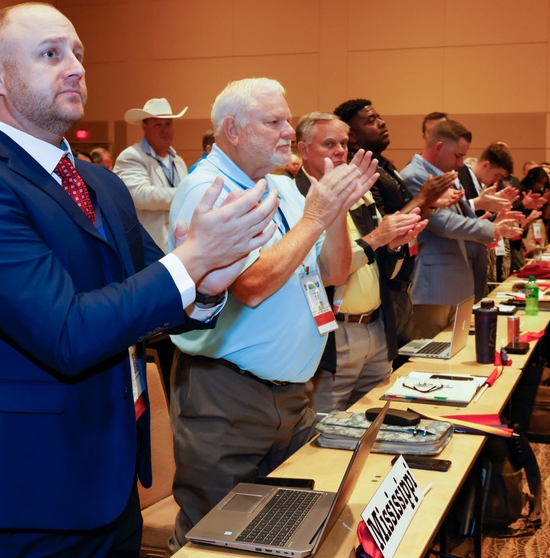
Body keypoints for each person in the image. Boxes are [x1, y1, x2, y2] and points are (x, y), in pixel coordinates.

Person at [0, 2, 278, 557]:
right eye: (50, 54)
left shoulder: (99, 183)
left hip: (110, 468)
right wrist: (190, 262)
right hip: (27, 482)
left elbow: (155, 294)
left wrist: (208, 280)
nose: (76, 67)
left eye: (78, 53)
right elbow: (66, 333)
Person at [167, 78, 377, 550]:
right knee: (216, 535)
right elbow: (253, 286)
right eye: (275, 121)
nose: (288, 131)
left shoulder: (281, 185)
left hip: (291, 397)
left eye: (287, 118)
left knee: (283, 530)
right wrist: (315, 217)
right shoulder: (208, 189)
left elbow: (333, 271)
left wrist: (336, 205)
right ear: (233, 130)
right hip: (225, 396)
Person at [294, 113, 424, 412]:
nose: (341, 151)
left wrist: (394, 245)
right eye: (329, 144)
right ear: (303, 150)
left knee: (377, 421)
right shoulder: (297, 198)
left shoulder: (359, 194)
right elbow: (320, 270)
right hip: (333, 335)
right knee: (325, 431)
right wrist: (378, 238)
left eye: (343, 143)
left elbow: (375, 259)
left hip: (376, 326)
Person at [332, 99, 458, 346]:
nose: (382, 122)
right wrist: (424, 197)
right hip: (382, 281)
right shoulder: (360, 173)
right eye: (371, 120)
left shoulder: (384, 164)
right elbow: (383, 226)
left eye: (379, 116)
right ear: (353, 136)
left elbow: (401, 213)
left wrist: (430, 202)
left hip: (401, 281)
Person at [400, 120, 521, 342]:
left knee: (450, 355)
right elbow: (443, 223)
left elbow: (462, 219)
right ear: (438, 148)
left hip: (453, 281)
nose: (461, 162)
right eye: (457, 155)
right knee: (426, 359)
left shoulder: (445, 174)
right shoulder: (415, 175)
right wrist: (491, 228)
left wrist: (489, 217)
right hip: (433, 284)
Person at [114, 97, 189, 250]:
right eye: (158, 124)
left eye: (168, 124)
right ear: (144, 127)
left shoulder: (179, 162)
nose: (165, 129)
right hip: (149, 249)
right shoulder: (131, 156)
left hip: (181, 247)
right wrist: (186, 194)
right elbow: (140, 195)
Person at [456, 142, 518, 299]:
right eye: (496, 175)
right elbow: (457, 219)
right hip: (461, 261)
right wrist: (478, 204)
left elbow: (480, 221)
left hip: (479, 258)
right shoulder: (460, 176)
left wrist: (499, 217)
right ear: (486, 164)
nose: (496, 180)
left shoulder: (479, 184)